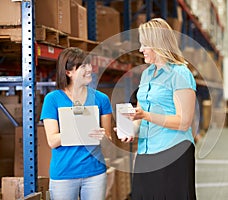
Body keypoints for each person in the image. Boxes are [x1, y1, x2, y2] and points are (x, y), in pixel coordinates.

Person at [119, 18, 197, 200]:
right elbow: (140, 113)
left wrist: (146, 115)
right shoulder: (146, 74)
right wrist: (129, 128)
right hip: (146, 151)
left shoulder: (180, 74)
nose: (140, 49)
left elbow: (184, 122)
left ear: (158, 44)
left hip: (173, 151)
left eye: (145, 44)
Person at [40, 47, 112, 200]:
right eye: (82, 67)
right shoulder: (52, 99)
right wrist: (81, 130)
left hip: (95, 172)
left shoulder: (101, 99)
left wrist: (102, 136)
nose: (89, 70)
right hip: (64, 173)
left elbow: (108, 140)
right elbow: (52, 141)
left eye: (88, 65)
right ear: (68, 72)